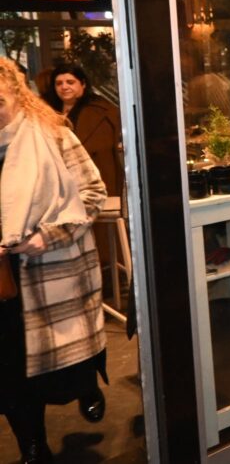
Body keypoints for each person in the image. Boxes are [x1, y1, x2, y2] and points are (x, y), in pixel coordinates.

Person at [0, 58, 108, 463]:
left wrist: (48, 236)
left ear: (17, 94)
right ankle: (33, 446)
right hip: (4, 279)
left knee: (62, 365)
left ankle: (86, 385)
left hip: (51, 267)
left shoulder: (53, 136)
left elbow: (93, 194)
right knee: (11, 370)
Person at [43, 64, 123, 198]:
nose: (64, 87)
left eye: (70, 82)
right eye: (59, 83)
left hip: (94, 181)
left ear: (83, 84)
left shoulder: (102, 111)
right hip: (59, 184)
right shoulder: (46, 112)